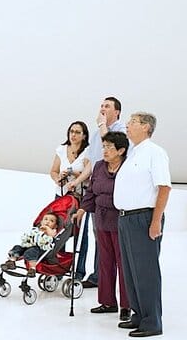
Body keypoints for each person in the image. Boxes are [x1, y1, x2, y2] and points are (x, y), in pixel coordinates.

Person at [114, 112, 171, 337]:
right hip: (126, 218)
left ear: (146, 127)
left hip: (143, 218)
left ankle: (152, 322)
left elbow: (164, 187)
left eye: (133, 122)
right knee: (130, 271)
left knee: (146, 271)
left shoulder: (155, 153)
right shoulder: (133, 153)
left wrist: (155, 221)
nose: (127, 125)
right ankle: (138, 315)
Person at [74, 131, 131, 321]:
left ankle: (127, 305)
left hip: (121, 221)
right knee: (105, 262)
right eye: (104, 146)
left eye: (109, 147)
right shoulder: (99, 166)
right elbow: (91, 192)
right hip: (101, 220)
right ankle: (107, 302)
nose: (104, 150)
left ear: (121, 150)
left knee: (123, 264)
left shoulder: (128, 167)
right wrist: (82, 210)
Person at [81, 96, 127, 288]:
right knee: (99, 235)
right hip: (97, 191)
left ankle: (117, 280)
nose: (102, 108)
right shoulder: (95, 134)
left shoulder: (121, 130)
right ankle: (99, 276)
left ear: (117, 112)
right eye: (101, 105)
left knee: (113, 240)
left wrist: (102, 125)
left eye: (107, 106)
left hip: (113, 193)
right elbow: (91, 162)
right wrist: (78, 180)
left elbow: (111, 147)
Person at [1, 213, 61, 277]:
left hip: (41, 249)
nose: (48, 221)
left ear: (55, 226)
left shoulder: (52, 231)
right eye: (46, 219)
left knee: (32, 251)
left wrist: (47, 228)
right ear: (41, 222)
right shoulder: (36, 229)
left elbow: (52, 235)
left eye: (51, 221)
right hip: (29, 246)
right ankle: (11, 261)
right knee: (17, 247)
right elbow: (29, 236)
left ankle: (32, 269)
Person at [50, 121, 92, 198]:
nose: (73, 135)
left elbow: (88, 176)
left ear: (84, 136)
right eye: (71, 131)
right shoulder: (61, 149)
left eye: (77, 132)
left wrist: (71, 172)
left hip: (79, 196)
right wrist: (58, 179)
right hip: (61, 194)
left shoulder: (88, 151)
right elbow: (54, 171)